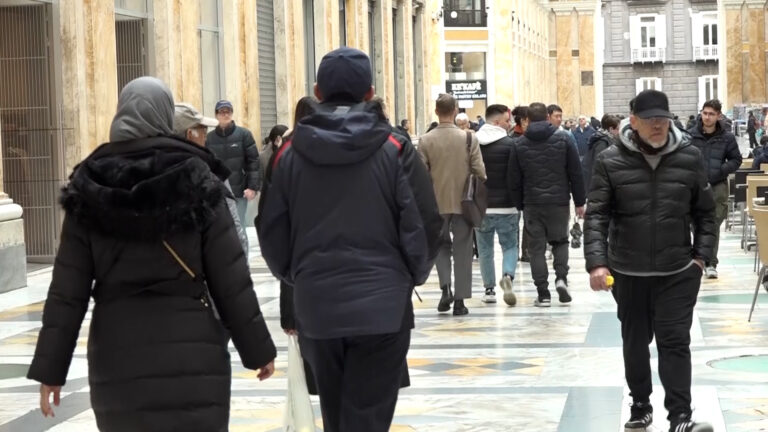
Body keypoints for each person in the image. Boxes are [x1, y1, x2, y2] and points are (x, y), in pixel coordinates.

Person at [27, 77, 276, 431]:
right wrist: (258, 351)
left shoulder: (89, 184)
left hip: (118, 356)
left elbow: (67, 292)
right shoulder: (197, 177)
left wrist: (51, 370)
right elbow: (230, 278)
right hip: (193, 358)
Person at [257, 47, 441, 432]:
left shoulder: (287, 153)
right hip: (383, 306)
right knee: (368, 416)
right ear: (370, 93)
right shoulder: (395, 148)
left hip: (318, 304)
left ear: (316, 92)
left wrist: (296, 274)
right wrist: (410, 276)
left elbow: (271, 228)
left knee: (336, 413)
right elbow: (422, 224)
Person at [585, 89, 715, 432]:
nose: (658, 126)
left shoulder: (688, 156)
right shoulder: (610, 160)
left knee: (675, 341)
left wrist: (700, 259)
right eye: (650, 120)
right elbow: (596, 215)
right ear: (634, 122)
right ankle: (641, 405)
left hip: (677, 270)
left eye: (663, 119)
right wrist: (597, 263)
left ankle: (680, 416)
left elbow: (705, 213)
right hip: (627, 270)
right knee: (635, 341)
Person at [510, 102, 585, 307]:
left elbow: (514, 179)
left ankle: (543, 293)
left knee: (536, 249)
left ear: (528, 119)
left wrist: (519, 204)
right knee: (560, 242)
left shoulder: (519, 144)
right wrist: (579, 201)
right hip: (559, 201)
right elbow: (575, 172)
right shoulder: (564, 139)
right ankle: (561, 278)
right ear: (547, 116)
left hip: (532, 203)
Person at [419, 93, 486, 315]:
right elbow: (480, 172)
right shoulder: (469, 138)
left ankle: (445, 287)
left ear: (436, 111)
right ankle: (460, 301)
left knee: (440, 248)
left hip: (435, 204)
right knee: (463, 250)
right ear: (455, 111)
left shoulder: (426, 140)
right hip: (464, 203)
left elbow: (420, 176)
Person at [174, 102, 249, 255]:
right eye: (203, 130)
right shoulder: (211, 171)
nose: (205, 136)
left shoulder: (155, 169)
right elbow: (233, 225)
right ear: (190, 134)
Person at [687, 99, 742, 279]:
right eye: (705, 113)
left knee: (714, 225)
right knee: (695, 224)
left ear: (718, 116)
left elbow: (736, 160)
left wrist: (721, 171)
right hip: (695, 187)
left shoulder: (727, 138)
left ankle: (711, 263)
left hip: (718, 186)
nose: (707, 117)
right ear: (701, 113)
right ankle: (697, 258)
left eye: (711, 114)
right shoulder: (690, 136)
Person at [475, 104, 519, 305]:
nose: (509, 123)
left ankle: (489, 289)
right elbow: (515, 176)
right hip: (506, 206)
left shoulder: (473, 142)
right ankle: (508, 276)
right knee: (509, 245)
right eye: (506, 120)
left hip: (481, 205)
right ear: (495, 122)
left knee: (484, 249)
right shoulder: (510, 144)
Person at [205, 99, 260, 242]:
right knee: (219, 230)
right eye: (222, 112)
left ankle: (243, 261)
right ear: (216, 115)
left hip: (239, 192)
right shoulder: (209, 139)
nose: (225, 114)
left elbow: (253, 162)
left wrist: (252, 187)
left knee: (239, 227)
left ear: (232, 113)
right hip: (217, 192)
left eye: (228, 111)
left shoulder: (244, 135)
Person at [582, 114, 620, 193]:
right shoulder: (602, 142)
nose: (619, 132)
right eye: (617, 129)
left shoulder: (606, 139)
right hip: (598, 184)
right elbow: (599, 166)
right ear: (611, 129)